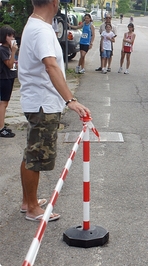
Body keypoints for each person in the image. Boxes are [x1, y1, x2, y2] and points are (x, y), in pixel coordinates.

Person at [18, 0, 91, 222]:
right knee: (37, 155)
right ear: (53, 2)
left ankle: (27, 201)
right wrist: (70, 99)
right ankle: (32, 207)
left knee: (32, 151)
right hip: (42, 103)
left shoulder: (38, 25)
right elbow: (50, 65)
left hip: (39, 101)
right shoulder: (40, 30)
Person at [0, 25, 18, 138]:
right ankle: (1, 128)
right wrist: (13, 51)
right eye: (9, 35)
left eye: (13, 36)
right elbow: (9, 64)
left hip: (9, 77)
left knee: (5, 103)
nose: (12, 38)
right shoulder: (3, 49)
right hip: (4, 78)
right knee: (3, 103)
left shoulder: (7, 49)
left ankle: (1, 123)